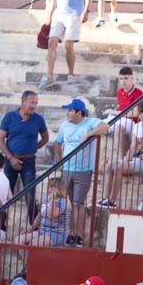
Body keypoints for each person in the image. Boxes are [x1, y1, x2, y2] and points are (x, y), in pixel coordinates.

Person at [53, 98, 107, 243]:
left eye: (70, 111)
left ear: (79, 112)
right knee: (68, 203)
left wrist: (90, 134)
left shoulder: (89, 122)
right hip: (67, 169)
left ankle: (79, 235)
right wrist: (59, 161)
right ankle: (69, 234)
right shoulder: (65, 125)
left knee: (78, 203)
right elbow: (57, 143)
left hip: (83, 170)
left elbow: (105, 126)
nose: (67, 114)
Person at [99, 101, 143, 212]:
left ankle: (112, 202)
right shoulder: (137, 127)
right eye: (142, 115)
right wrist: (124, 160)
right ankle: (104, 199)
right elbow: (132, 147)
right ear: (139, 114)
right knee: (109, 166)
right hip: (138, 159)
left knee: (119, 168)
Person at [0, 91, 49, 216]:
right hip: (10, 160)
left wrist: (32, 148)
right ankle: (1, 228)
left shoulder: (38, 119)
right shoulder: (9, 117)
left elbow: (45, 138)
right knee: (6, 194)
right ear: (23, 102)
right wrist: (11, 158)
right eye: (32, 102)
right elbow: (0, 139)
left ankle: (34, 230)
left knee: (30, 196)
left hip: (29, 162)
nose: (34, 105)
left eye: (36, 103)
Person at [45, 0, 90, 86]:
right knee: (52, 42)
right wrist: (49, 15)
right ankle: (49, 76)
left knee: (68, 44)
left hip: (74, 14)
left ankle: (71, 74)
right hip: (58, 15)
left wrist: (86, 11)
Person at [18, 176, 69, 247]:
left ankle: (31, 257)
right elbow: (39, 216)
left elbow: (51, 215)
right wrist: (30, 230)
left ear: (59, 189)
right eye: (49, 187)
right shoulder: (46, 199)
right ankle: (27, 258)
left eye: (52, 187)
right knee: (19, 240)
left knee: (34, 244)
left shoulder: (63, 202)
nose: (49, 189)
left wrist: (53, 199)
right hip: (43, 230)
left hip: (57, 233)